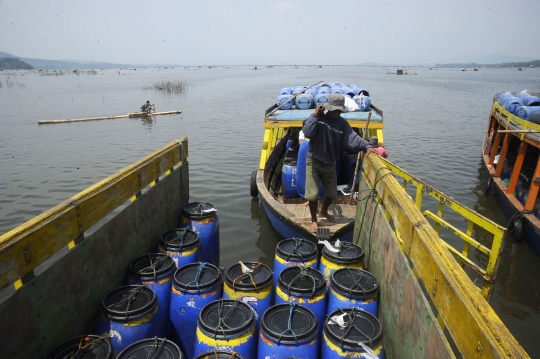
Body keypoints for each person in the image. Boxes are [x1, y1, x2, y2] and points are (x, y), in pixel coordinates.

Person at [302, 93, 376, 232]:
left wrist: (367, 145)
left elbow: (353, 138)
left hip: (330, 162)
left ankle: (323, 210)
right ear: (329, 108)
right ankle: (314, 220)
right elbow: (307, 132)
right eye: (334, 109)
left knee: (331, 194)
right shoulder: (319, 118)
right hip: (314, 160)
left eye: (338, 110)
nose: (336, 112)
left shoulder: (342, 123)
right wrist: (315, 115)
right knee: (312, 194)